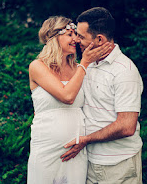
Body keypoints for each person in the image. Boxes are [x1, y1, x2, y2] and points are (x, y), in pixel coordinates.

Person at [61, 7, 144, 184]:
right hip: (88, 161)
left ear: (99, 39)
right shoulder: (87, 65)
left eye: (81, 36)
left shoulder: (125, 72)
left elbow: (127, 126)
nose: (76, 40)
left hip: (118, 164)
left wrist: (86, 140)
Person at [27, 16, 111, 184]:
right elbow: (67, 96)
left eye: (76, 34)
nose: (76, 39)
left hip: (76, 149)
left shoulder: (77, 68)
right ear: (53, 38)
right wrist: (85, 63)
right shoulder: (38, 66)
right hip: (46, 148)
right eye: (70, 34)